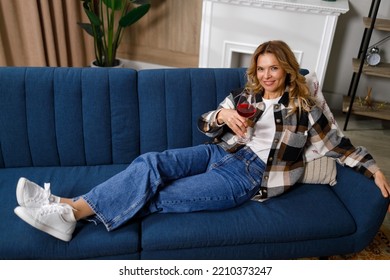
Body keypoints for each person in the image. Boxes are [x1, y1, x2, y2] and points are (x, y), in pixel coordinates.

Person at [14, 40, 390, 242]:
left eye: (273, 67)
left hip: (248, 177)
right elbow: (205, 122)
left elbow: (339, 145)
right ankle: (65, 207)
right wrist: (222, 116)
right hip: (219, 154)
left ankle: (68, 212)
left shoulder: (303, 106)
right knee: (151, 163)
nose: (266, 74)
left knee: (160, 194)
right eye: (261, 68)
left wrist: (372, 168)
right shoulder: (249, 96)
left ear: (286, 67)